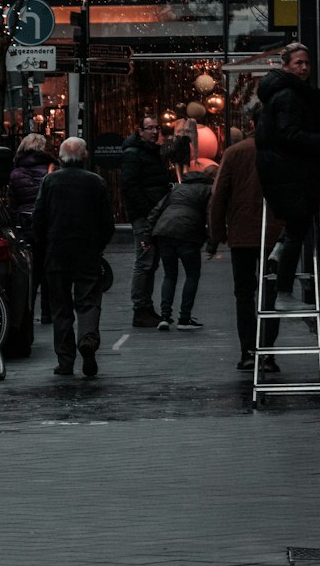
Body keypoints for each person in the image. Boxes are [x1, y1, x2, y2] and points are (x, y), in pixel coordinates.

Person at [255, 43, 320, 313]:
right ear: (285, 66)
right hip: (292, 172)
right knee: (299, 228)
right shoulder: (289, 95)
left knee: (296, 225)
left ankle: (278, 251)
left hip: (284, 171)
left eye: (307, 63)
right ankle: (284, 292)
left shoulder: (279, 93)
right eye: (298, 63)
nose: (304, 68)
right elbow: (288, 136)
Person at [30, 137, 115, 378]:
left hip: (57, 253)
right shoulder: (96, 182)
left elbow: (39, 218)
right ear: (84, 156)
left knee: (61, 308)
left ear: (61, 157)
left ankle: (65, 360)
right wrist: (98, 245)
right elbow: (107, 221)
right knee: (88, 301)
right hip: (87, 252)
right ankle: (87, 339)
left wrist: (44, 243)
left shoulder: (49, 182)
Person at [208, 107, 282, 372]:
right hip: (276, 234)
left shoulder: (235, 152)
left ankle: (249, 351)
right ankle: (268, 352)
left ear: (251, 123)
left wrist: (216, 236)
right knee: (271, 294)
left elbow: (219, 197)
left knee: (244, 294)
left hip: (241, 235)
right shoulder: (282, 152)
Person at [144, 164, 216, 329]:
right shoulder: (209, 190)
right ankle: (184, 318)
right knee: (192, 274)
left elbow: (156, 210)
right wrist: (212, 244)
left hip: (164, 231)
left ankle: (164, 317)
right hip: (187, 233)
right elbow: (210, 216)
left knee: (170, 275)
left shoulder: (178, 188)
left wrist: (147, 236)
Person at [120, 111, 170, 328]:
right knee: (144, 261)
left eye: (156, 128)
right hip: (145, 216)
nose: (155, 132)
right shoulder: (134, 154)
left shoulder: (151, 152)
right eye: (150, 128)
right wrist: (147, 211)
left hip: (154, 214)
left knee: (150, 262)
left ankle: (146, 307)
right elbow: (130, 186)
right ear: (140, 131)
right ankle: (140, 308)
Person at [8, 133, 55, 325]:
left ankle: (27, 313)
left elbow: (12, 204)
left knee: (30, 272)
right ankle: (47, 312)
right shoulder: (52, 170)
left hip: (27, 226)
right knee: (48, 270)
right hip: (49, 225)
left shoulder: (16, 174)